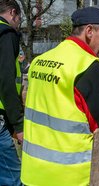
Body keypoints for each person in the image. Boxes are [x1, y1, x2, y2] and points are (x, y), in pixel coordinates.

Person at [21, 7, 99, 185]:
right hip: (70, 177)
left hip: (32, 172)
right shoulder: (90, 67)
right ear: (89, 31)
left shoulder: (39, 61)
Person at [0, 0, 23, 185]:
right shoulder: (6, 34)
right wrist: (18, 125)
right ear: (13, 12)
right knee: (13, 178)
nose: (19, 23)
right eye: (20, 18)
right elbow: (6, 83)